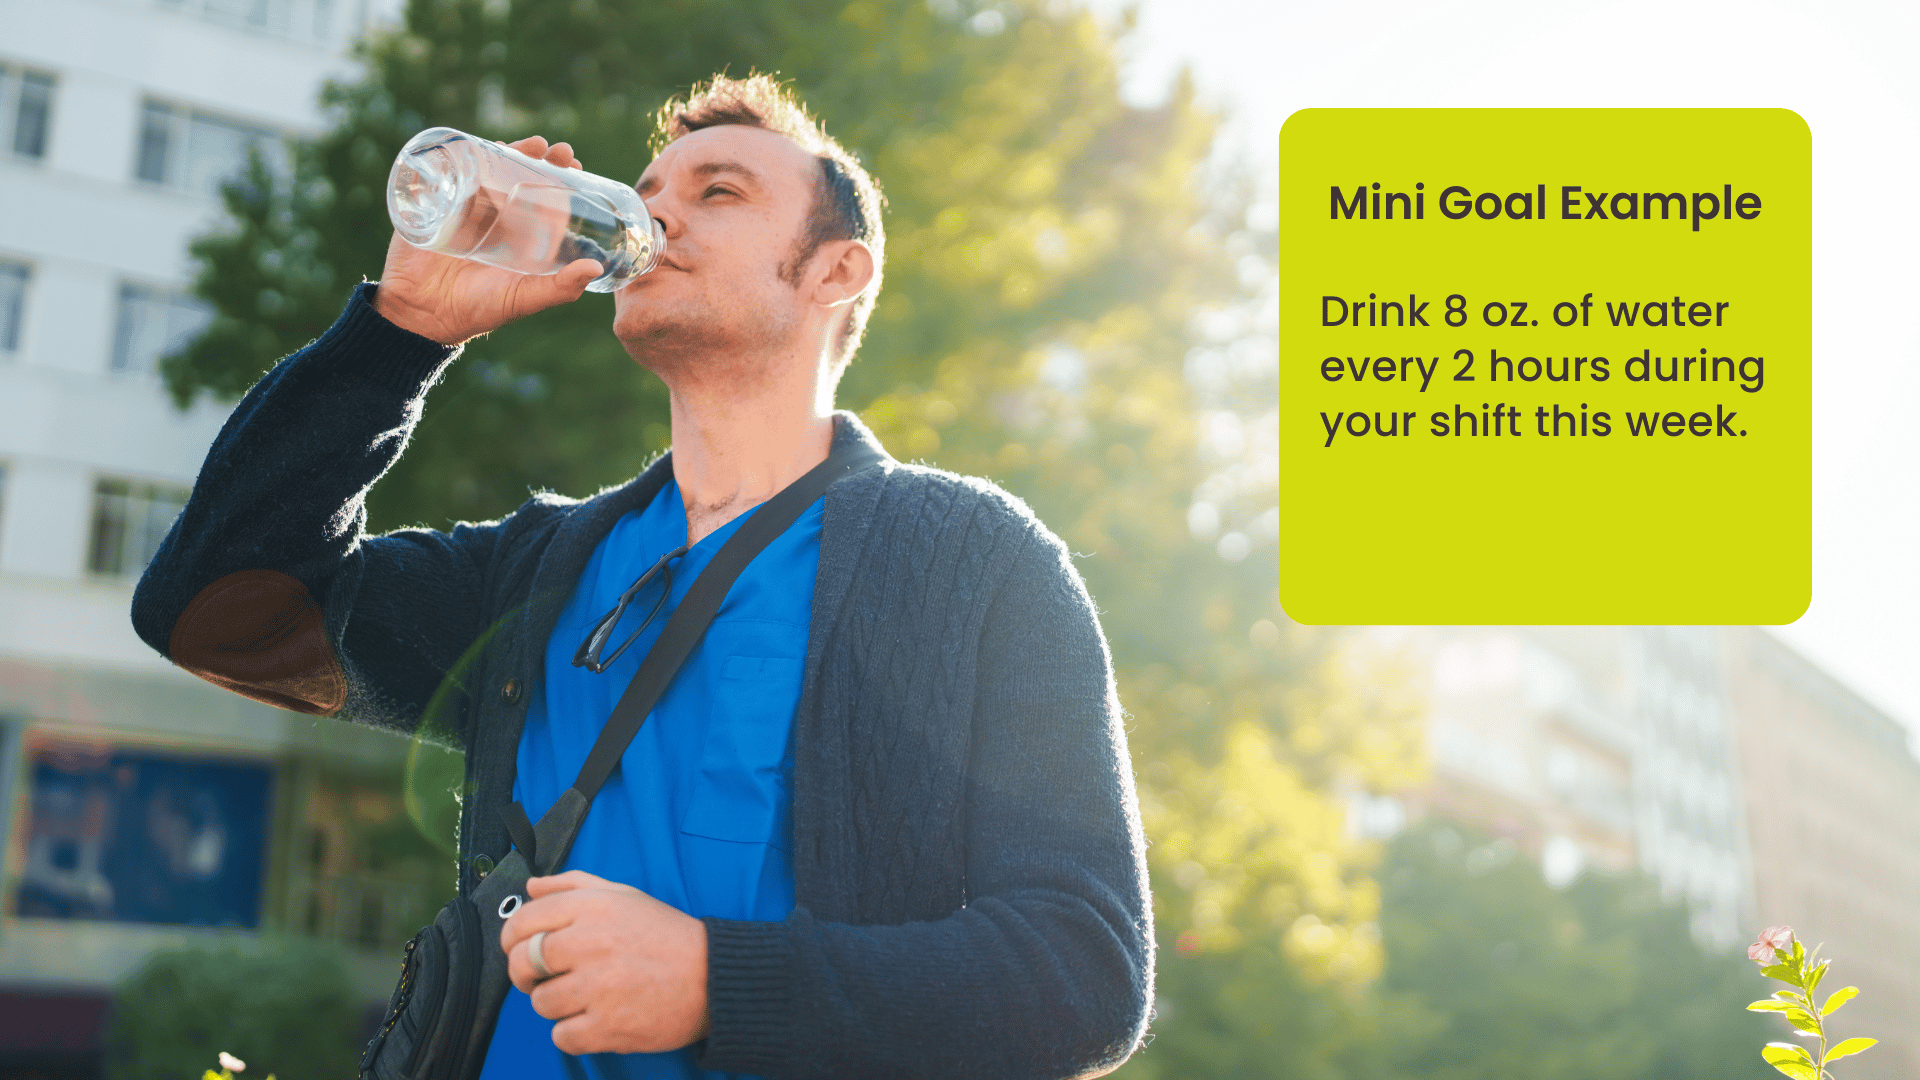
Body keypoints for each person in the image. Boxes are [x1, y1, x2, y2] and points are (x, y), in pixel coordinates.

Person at [132, 74, 1151, 1080]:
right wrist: (400, 332)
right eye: (650, 193)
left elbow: (1087, 972)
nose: (657, 216)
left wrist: (720, 980)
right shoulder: (537, 572)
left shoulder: (968, 561)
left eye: (717, 193)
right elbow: (215, 611)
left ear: (835, 272)